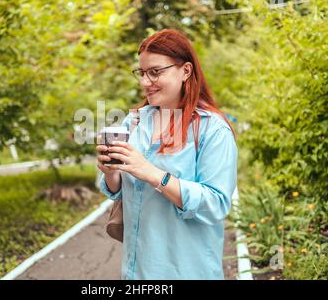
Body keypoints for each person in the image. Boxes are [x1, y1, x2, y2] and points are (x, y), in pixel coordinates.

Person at [96, 29, 238, 280]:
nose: (144, 82)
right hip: (135, 270)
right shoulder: (135, 120)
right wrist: (111, 171)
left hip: (186, 271)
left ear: (185, 71)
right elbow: (119, 189)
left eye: (155, 72)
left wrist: (153, 174)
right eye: (141, 73)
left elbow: (216, 204)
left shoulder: (212, 128)